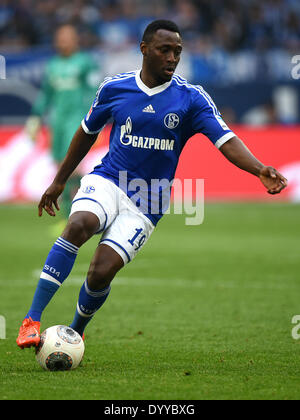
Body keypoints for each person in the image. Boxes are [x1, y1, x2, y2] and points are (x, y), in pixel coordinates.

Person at [16, 20, 287, 349]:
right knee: (78, 225)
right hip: (109, 179)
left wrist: (259, 169)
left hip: (149, 200)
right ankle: (31, 320)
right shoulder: (114, 89)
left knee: (100, 272)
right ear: (144, 50)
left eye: (178, 52)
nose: (172, 58)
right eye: (165, 50)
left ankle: (75, 331)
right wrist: (59, 181)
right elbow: (86, 133)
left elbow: (226, 140)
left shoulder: (191, 99)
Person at [26, 24, 98, 223]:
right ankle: (68, 216)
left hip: (75, 121)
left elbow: (94, 93)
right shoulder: (52, 66)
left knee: (72, 167)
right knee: (60, 168)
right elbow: (45, 96)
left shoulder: (85, 63)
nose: (62, 41)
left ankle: (85, 209)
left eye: (67, 37)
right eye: (60, 37)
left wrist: (95, 121)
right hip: (57, 122)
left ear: (75, 40)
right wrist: (35, 118)